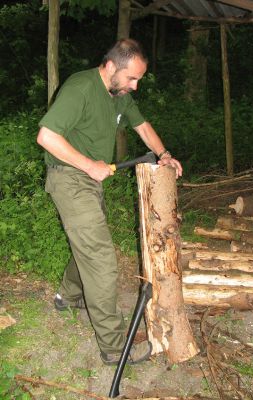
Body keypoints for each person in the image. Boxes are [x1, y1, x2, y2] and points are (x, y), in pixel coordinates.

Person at [37, 38, 182, 365]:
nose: (135, 86)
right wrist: (89, 165)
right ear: (111, 67)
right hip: (70, 178)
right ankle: (115, 347)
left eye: (138, 80)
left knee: (90, 244)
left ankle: (68, 296)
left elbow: (142, 126)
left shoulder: (119, 95)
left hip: (89, 183)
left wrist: (164, 154)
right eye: (131, 78)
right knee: (101, 258)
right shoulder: (82, 87)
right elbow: (46, 136)